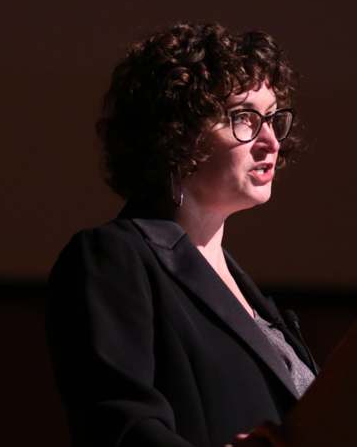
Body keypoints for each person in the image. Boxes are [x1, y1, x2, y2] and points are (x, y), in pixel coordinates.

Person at [46, 22, 317, 447]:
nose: (271, 141)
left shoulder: (253, 296)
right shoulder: (115, 258)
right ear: (177, 135)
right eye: (244, 117)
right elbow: (118, 427)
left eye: (272, 118)